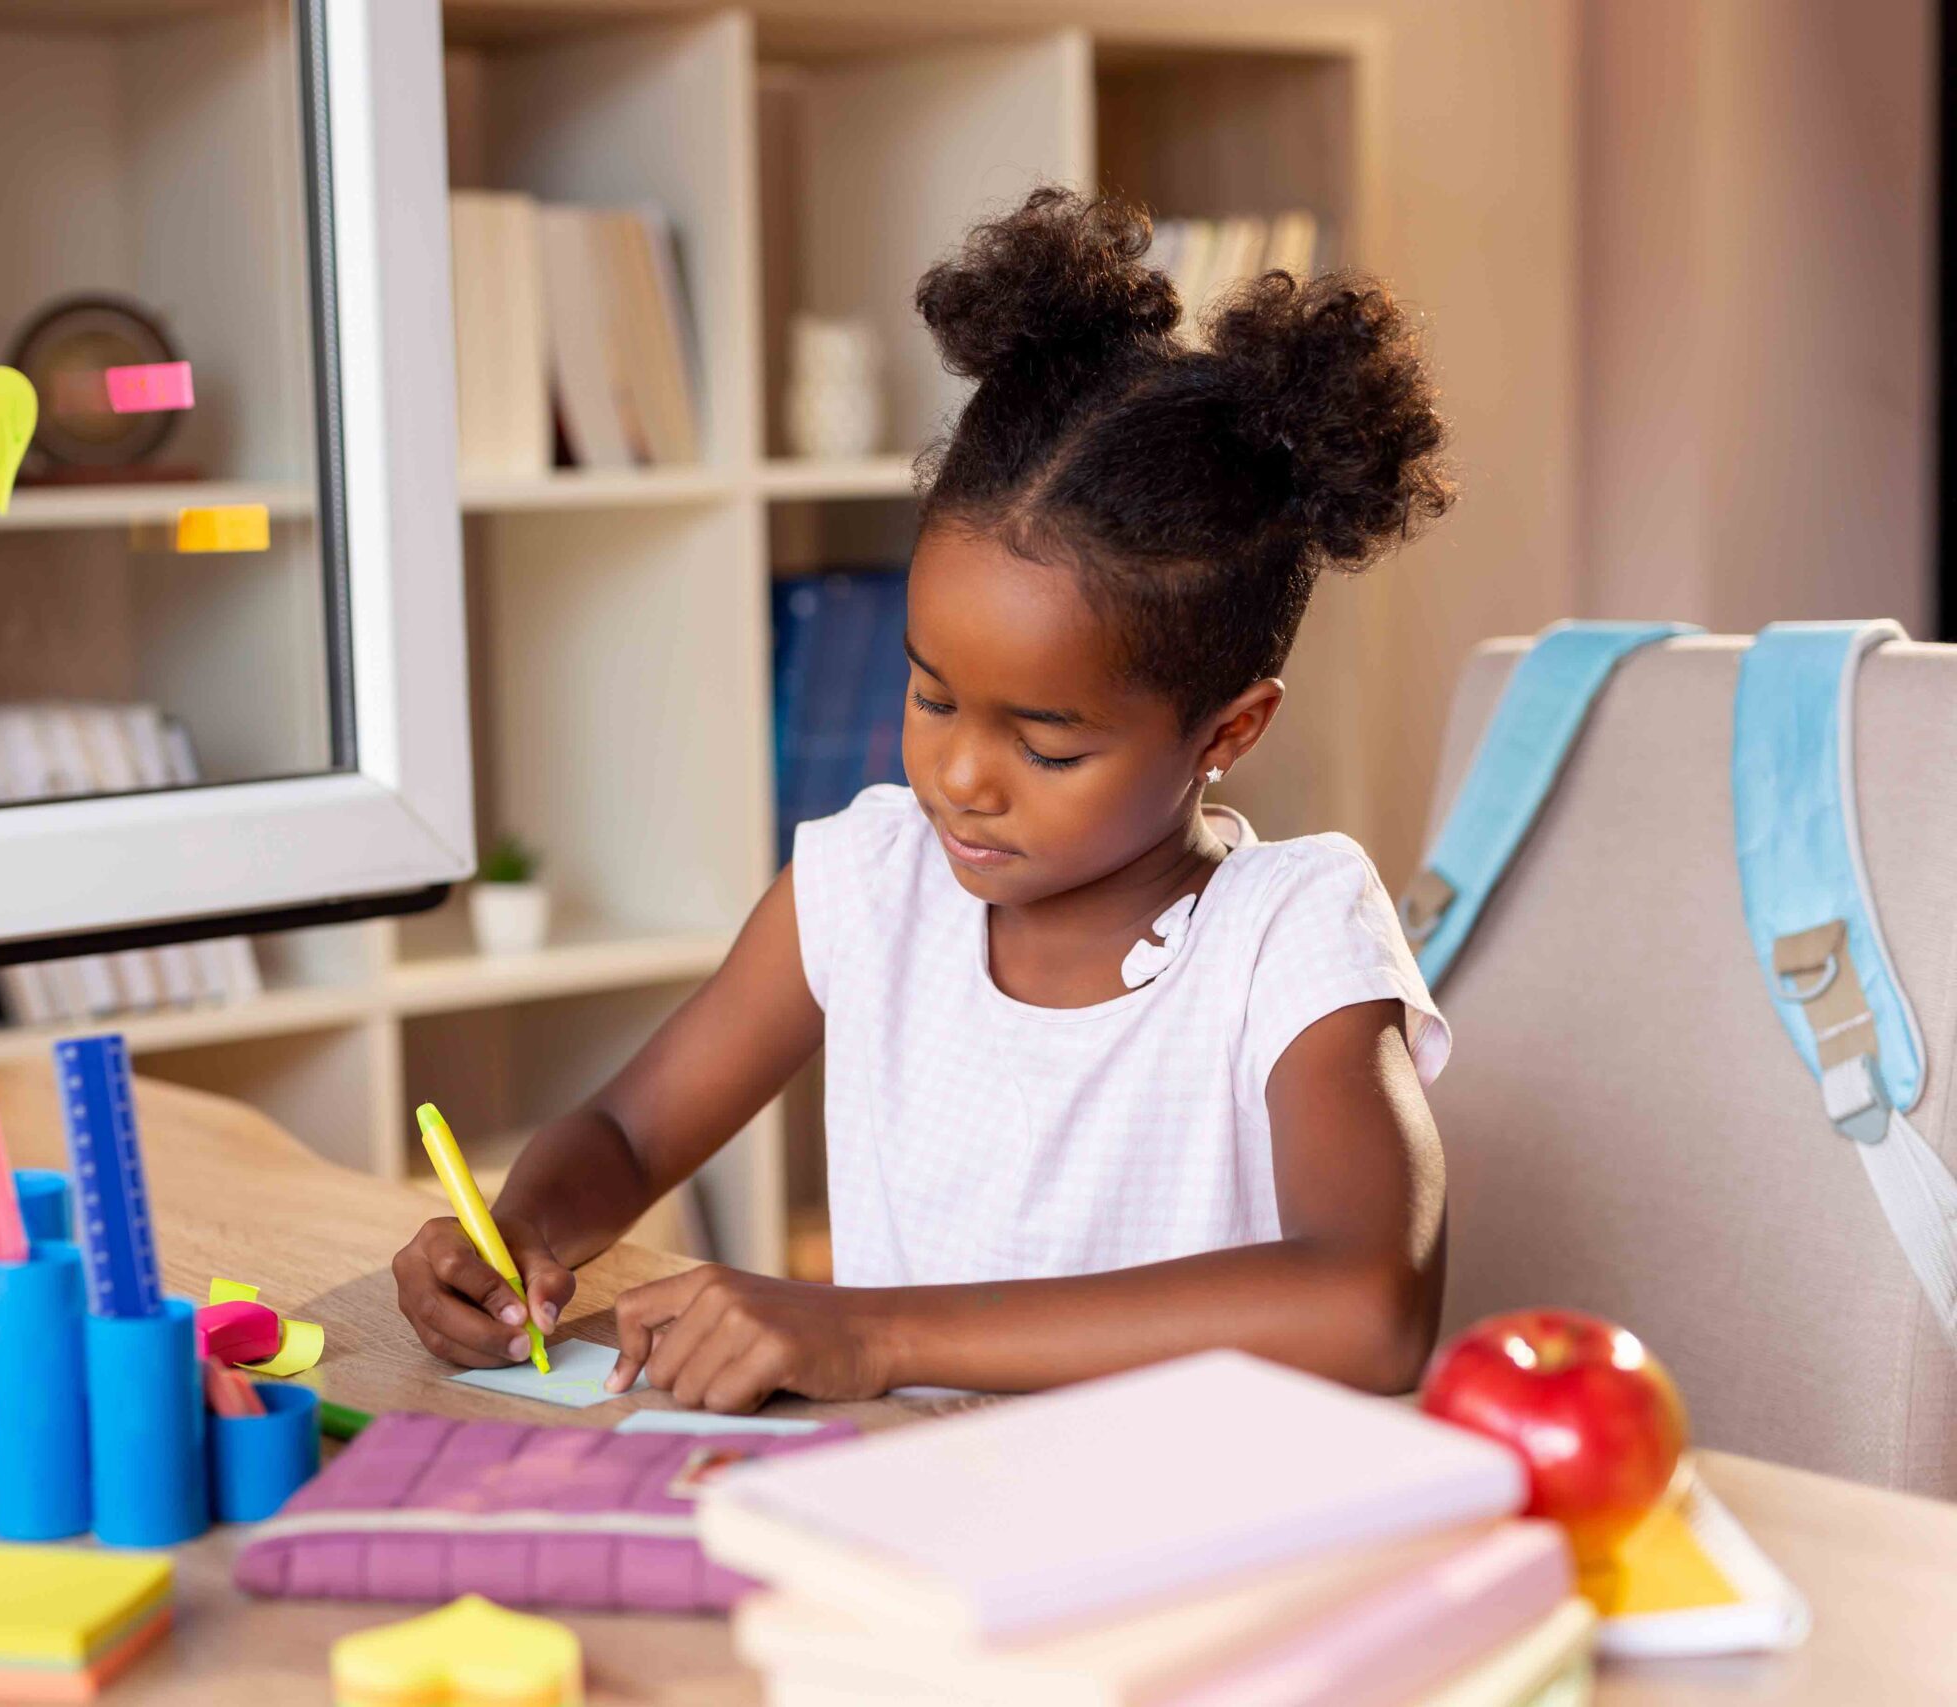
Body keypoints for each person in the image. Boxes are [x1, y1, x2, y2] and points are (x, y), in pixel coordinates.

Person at [394, 185, 1457, 1412]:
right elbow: (628, 1135)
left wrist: (871, 1336)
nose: (955, 777)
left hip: (1176, 1547)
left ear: (1230, 731)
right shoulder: (866, 881)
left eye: (1048, 748)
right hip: (905, 1520)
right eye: (931, 694)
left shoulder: (1290, 936)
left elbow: (1369, 1308)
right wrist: (517, 1232)